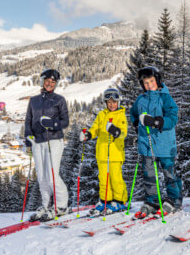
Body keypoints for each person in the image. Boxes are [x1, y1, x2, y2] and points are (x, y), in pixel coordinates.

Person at [129, 66, 182, 217]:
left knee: (169, 172)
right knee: (149, 174)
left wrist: (157, 122)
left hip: (164, 143)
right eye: (145, 83)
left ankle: (174, 199)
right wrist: (136, 124)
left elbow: (173, 117)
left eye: (151, 81)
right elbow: (133, 113)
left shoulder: (165, 97)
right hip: (146, 144)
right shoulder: (141, 99)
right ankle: (152, 200)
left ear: (157, 80)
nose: (149, 85)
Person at [25, 68, 70, 221]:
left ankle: (61, 206)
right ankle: (46, 205)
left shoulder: (59, 100)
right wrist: (27, 135)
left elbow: (65, 122)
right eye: (47, 81)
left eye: (53, 82)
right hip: (38, 141)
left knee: (52, 176)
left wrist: (52, 124)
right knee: (42, 177)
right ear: (42, 81)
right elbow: (28, 120)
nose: (50, 84)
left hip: (54, 140)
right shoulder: (34, 100)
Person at [80, 88, 129, 214]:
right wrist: (88, 135)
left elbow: (123, 133)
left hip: (115, 153)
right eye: (109, 102)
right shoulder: (102, 115)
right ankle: (105, 200)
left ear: (118, 102)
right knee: (103, 178)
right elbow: (95, 128)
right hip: (102, 153)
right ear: (105, 103)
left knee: (116, 178)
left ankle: (120, 201)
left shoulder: (121, 115)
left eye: (114, 102)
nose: (112, 105)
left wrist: (116, 131)